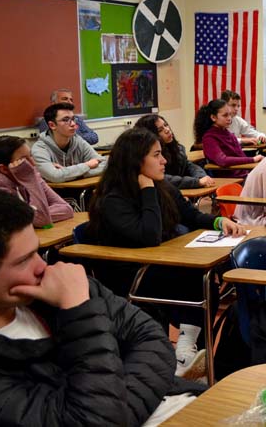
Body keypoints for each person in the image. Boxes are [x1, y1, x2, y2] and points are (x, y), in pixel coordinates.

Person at [0, 185, 204, 426]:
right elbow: (90, 422)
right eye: (24, 260)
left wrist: (115, 412)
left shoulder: (56, 285)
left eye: (37, 251)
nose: (42, 266)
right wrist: (77, 308)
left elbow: (152, 339)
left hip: (181, 403)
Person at [85, 128, 243, 378]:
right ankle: (186, 356)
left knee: (207, 285)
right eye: (156, 155)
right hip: (130, 275)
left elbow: (190, 215)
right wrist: (147, 191)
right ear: (136, 160)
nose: (164, 161)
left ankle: (192, 356)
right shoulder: (113, 199)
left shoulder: (161, 187)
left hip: (157, 265)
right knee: (198, 281)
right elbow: (149, 235)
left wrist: (218, 222)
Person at [0, 135, 73, 228]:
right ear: (4, 169)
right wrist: (30, 180)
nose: (33, 164)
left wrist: (34, 216)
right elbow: (42, 220)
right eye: (23, 160)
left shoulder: (29, 171)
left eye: (30, 156)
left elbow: (66, 208)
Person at [31, 102, 106, 183]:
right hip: (55, 190)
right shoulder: (39, 149)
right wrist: (87, 165)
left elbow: (105, 165)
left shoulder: (78, 140)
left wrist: (68, 173)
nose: (73, 124)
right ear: (52, 125)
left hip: (79, 188)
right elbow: (55, 176)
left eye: (73, 119)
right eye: (66, 120)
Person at [135, 114, 215, 189]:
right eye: (160, 130)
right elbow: (163, 178)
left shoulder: (177, 148)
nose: (167, 130)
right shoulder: (148, 158)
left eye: (166, 125)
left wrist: (201, 176)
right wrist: (196, 182)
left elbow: (188, 165)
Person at [195, 99, 264, 178]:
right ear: (213, 117)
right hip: (231, 178)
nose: (229, 118)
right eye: (225, 115)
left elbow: (241, 156)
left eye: (230, 115)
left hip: (244, 174)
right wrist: (253, 159)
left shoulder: (229, 134)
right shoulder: (209, 138)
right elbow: (222, 160)